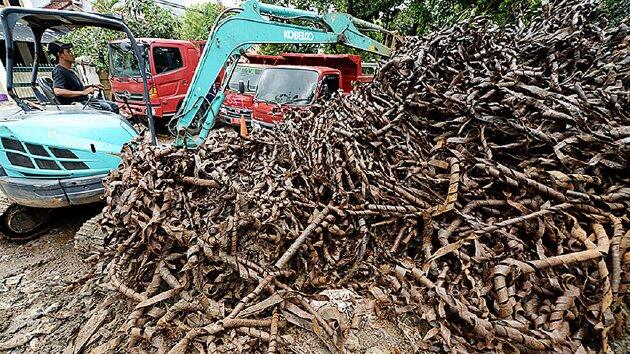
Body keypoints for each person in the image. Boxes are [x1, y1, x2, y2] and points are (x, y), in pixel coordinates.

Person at [47, 41, 118, 112]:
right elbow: (58, 91)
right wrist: (83, 92)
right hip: (77, 105)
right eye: (68, 52)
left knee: (114, 105)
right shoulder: (59, 71)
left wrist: (92, 86)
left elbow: (74, 89)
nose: (72, 54)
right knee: (107, 107)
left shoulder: (69, 71)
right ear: (60, 55)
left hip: (83, 102)